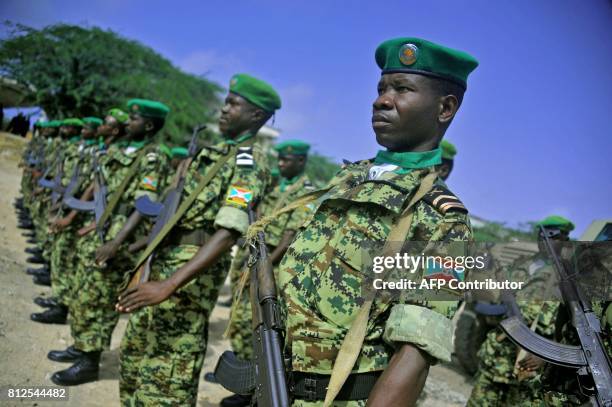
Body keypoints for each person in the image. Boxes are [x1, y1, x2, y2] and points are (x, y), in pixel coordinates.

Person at [260, 37, 477, 406]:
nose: (382, 99)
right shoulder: (348, 180)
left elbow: (415, 350)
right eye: (381, 88)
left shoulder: (444, 219)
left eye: (403, 89)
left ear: (445, 108)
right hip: (274, 382)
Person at [115, 73, 280, 406]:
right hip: (163, 264)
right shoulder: (213, 155)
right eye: (226, 101)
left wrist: (169, 284)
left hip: (186, 280)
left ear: (256, 116)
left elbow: (229, 229)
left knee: (166, 377)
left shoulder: (249, 162)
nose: (223, 109)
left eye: (234, 104)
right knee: (135, 362)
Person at [49, 101, 170, 386]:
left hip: (120, 234)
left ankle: (90, 361)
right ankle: (81, 346)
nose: (128, 121)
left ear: (149, 125)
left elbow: (143, 204)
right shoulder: (118, 150)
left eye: (135, 118)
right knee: (83, 292)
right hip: (102, 227)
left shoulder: (153, 157)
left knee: (100, 298)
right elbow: (100, 189)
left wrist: (116, 243)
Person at [222, 139, 315, 407]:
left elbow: (288, 237)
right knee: (240, 322)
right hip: (255, 259)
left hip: (270, 267)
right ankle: (246, 382)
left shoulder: (305, 191)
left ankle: (256, 390)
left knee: (263, 328)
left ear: (300, 161)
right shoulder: (274, 184)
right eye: (280, 159)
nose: (281, 163)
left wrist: (262, 267)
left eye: (287, 160)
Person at [467, 215, 574, 407]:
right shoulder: (519, 264)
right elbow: (493, 300)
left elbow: (570, 328)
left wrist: (546, 356)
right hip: (496, 359)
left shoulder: (567, 278)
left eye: (557, 237)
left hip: (528, 368)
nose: (548, 242)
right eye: (545, 236)